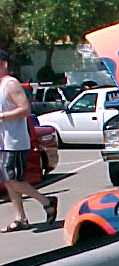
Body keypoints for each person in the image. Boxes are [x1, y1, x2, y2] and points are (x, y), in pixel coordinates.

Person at [0, 49, 57, 232]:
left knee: (12, 179)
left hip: (14, 141)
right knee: (8, 181)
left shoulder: (11, 84)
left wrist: (2, 116)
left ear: (4, 64)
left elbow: (25, 109)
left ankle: (47, 201)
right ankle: (20, 218)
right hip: (3, 141)